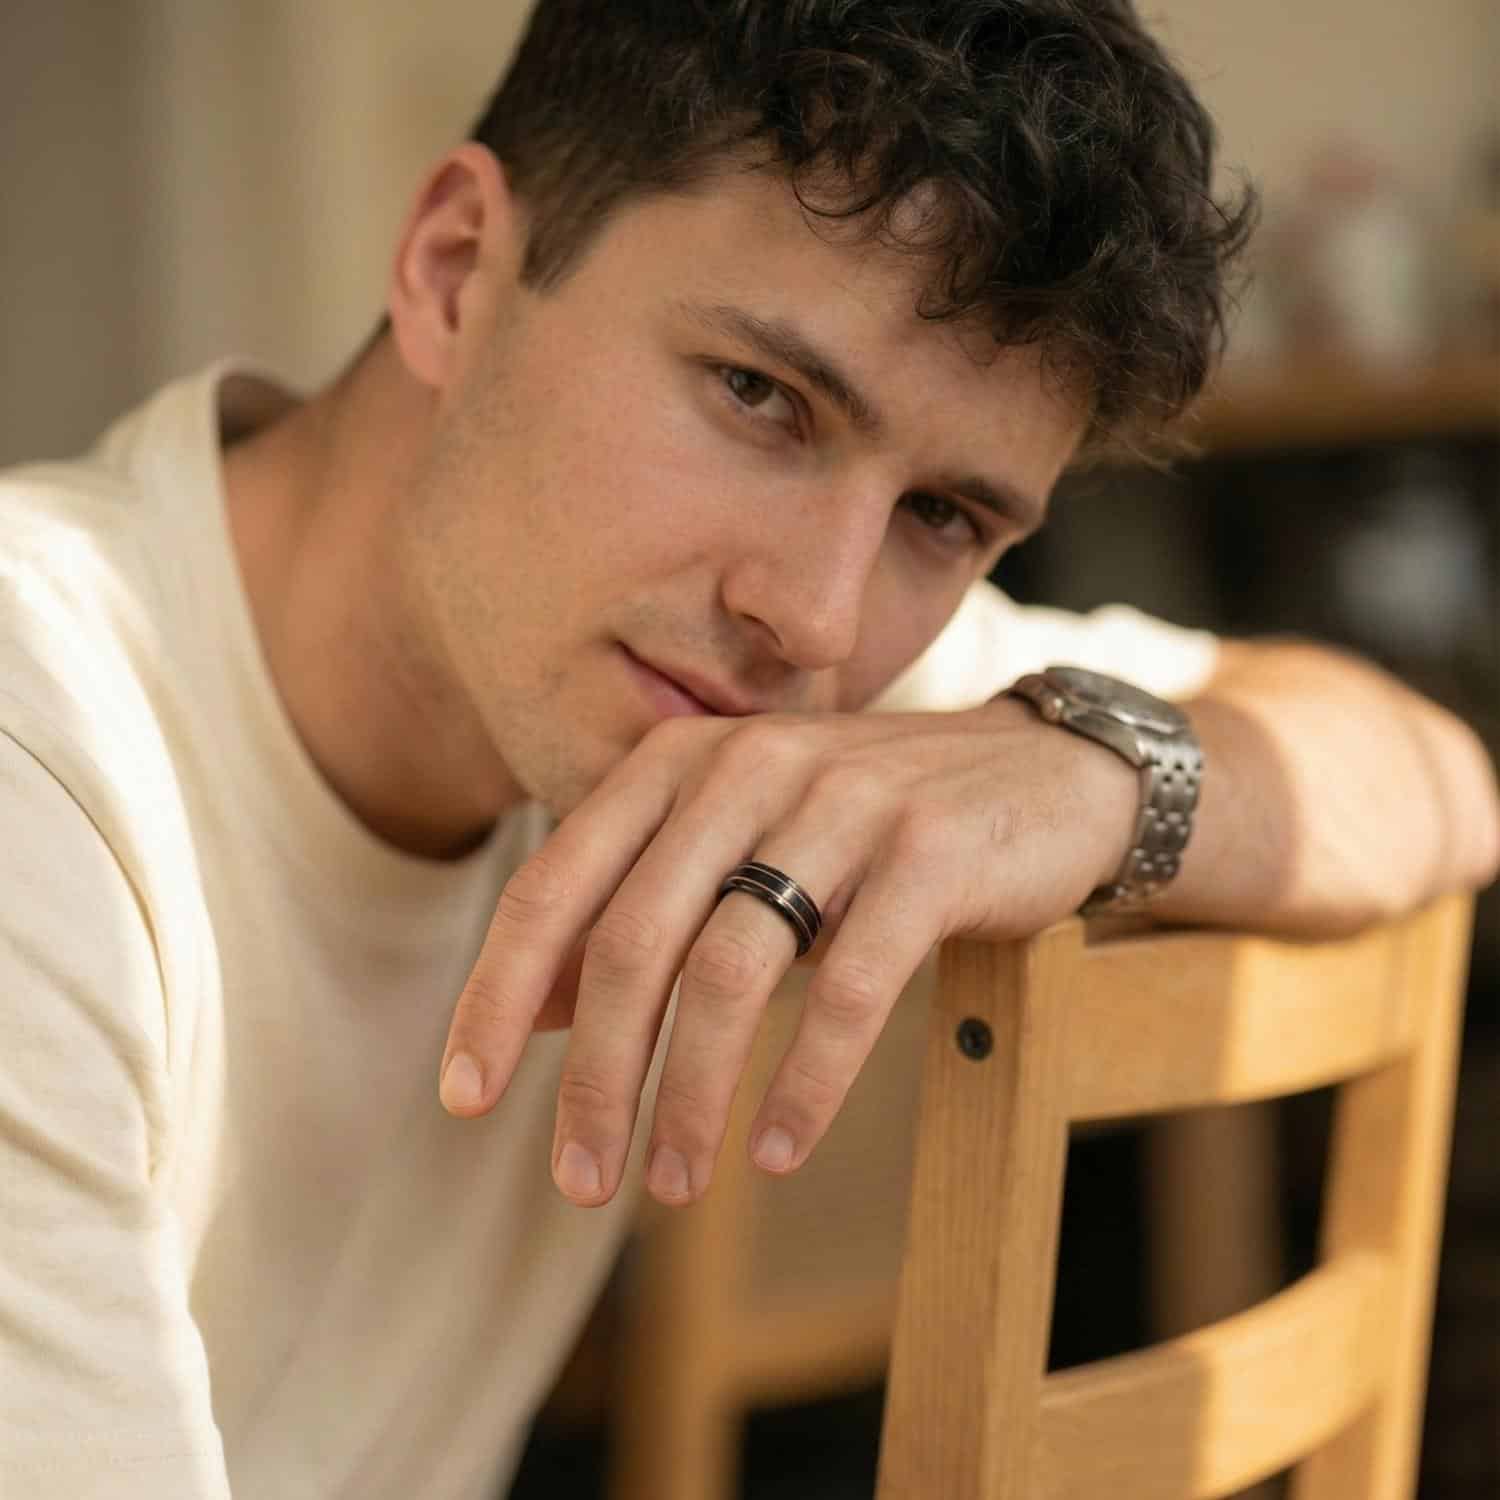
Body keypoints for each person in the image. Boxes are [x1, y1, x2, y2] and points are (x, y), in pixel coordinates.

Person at [1, 1, 1495, 1496]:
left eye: (944, 519)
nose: (816, 623)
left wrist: (1086, 774)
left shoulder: (701, 687)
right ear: (455, 270)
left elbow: (1429, 774)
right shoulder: (46, 745)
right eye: (758, 397)